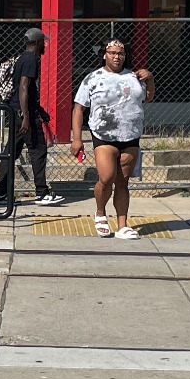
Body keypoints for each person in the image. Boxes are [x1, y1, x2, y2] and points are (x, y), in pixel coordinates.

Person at [71, 38, 154, 239]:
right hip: (103, 135)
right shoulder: (93, 78)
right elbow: (78, 109)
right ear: (105, 55)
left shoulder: (134, 77)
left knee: (123, 182)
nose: (117, 57)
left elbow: (148, 97)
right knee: (107, 177)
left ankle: (122, 225)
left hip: (130, 136)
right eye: (113, 53)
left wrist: (150, 79)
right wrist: (77, 138)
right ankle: (100, 212)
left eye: (121, 53)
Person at [0, 27, 64, 206]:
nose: (45, 45)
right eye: (43, 42)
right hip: (24, 114)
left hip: (17, 110)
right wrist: (26, 116)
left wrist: (38, 109)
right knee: (38, 149)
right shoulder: (32, 59)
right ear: (37, 42)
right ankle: (42, 193)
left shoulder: (22, 58)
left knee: (11, 152)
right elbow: (24, 87)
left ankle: (1, 194)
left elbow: (24, 89)